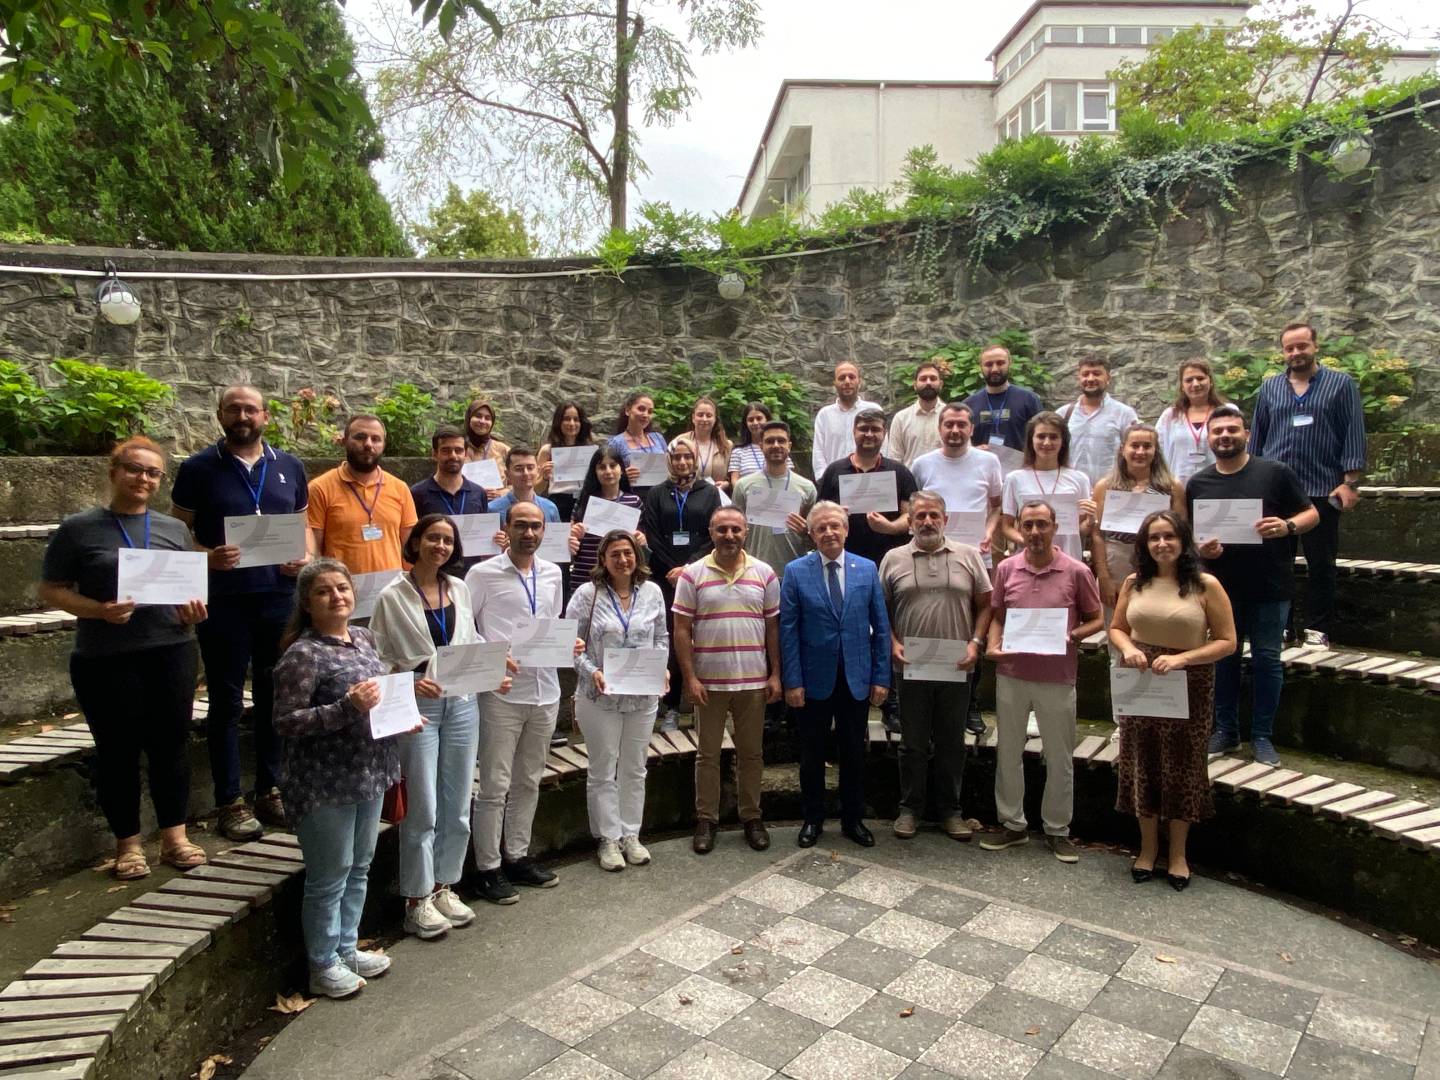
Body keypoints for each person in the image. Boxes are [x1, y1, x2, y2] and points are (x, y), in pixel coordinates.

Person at [39, 437, 209, 881]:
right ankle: (128, 845)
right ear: (114, 472)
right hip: (106, 656)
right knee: (118, 751)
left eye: (153, 473)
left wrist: (193, 611)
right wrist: (99, 610)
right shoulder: (79, 528)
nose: (143, 478)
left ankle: (175, 838)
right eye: (135, 469)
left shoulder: (173, 529)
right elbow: (51, 589)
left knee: (172, 745)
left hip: (172, 650)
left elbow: (188, 589)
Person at [170, 385, 308, 841]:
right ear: (220, 415)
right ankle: (229, 801)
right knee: (227, 702)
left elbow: (302, 527)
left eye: (251, 409)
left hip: (279, 598)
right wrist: (207, 558)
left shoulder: (290, 466)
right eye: (234, 409)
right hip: (224, 601)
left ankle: (270, 789)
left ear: (266, 416)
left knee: (275, 696)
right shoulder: (197, 468)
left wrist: (303, 557)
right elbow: (176, 534)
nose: (243, 416)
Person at [272, 558, 407, 998]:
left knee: (359, 866)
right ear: (307, 603)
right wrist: (346, 708)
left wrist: (401, 716)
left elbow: (378, 700)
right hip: (323, 782)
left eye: (342, 588)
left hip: (368, 773)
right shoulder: (302, 654)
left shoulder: (364, 638)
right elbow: (286, 722)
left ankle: (347, 948)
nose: (336, 597)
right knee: (329, 875)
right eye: (324, 591)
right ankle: (323, 963)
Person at [370, 515, 501, 939]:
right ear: (415, 543)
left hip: (461, 702)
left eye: (447, 540)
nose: (440, 546)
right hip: (418, 707)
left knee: (458, 802)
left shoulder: (459, 588)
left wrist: (497, 664)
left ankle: (445, 885)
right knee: (423, 806)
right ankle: (416, 899)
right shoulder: (392, 596)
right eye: (432, 538)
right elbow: (377, 658)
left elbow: (469, 640)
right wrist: (409, 680)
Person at [1110, 511, 1236, 891]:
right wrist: (1129, 648)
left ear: (1183, 541)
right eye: (1154, 537)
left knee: (1183, 766)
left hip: (1188, 681)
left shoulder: (1205, 585)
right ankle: (1148, 849)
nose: (1162, 544)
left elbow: (1227, 641)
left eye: (1169, 536)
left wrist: (1183, 658)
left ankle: (1178, 854)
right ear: (1144, 544)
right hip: (1140, 680)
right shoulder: (1134, 582)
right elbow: (1117, 629)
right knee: (1142, 761)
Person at [464, 501, 582, 904]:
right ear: (507, 528)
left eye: (536, 526)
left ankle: (517, 856)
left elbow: (551, 623)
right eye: (521, 526)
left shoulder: (552, 573)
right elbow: (466, 628)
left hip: (545, 690)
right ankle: (487, 867)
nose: (529, 533)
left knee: (529, 780)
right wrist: (493, 655)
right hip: (502, 692)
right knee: (495, 784)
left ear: (545, 530)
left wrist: (568, 642)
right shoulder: (482, 574)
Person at [1187, 405, 1318, 766]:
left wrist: (1287, 527)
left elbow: (1311, 513)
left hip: (1270, 586)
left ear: (1246, 434)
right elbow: (1191, 536)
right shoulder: (1199, 483)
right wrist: (1200, 549)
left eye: (1232, 430)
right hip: (1220, 589)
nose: (1224, 436)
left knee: (1267, 661)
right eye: (1217, 431)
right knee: (1223, 661)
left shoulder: (1275, 473)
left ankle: (1262, 736)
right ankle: (1226, 732)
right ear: (1209, 438)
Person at [981, 500, 1103, 863]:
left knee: (1059, 755)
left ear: (1055, 527)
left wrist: (1073, 635)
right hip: (1012, 675)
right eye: (1028, 525)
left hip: (1057, 677)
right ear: (1019, 528)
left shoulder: (1077, 571)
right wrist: (992, 645)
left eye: (1042, 524)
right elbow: (998, 616)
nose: (1035, 532)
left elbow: (1098, 619)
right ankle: (1012, 824)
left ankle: (1057, 829)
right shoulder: (1007, 568)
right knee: (1008, 752)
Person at [880, 491, 991, 841]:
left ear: (946, 519)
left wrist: (976, 643)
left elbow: (986, 604)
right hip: (910, 666)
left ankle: (950, 811)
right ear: (910, 522)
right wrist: (891, 642)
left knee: (951, 742)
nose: (927, 522)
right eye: (920, 516)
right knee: (912, 742)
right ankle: (910, 809)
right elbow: (880, 609)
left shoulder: (969, 556)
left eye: (934, 516)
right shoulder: (893, 559)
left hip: (956, 665)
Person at [781, 502, 891, 849]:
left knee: (854, 753)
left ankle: (852, 819)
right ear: (811, 534)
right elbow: (788, 630)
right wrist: (793, 681)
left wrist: (881, 677)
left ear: (846, 530)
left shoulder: (867, 569)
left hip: (856, 678)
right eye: (821, 528)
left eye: (835, 526)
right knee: (811, 753)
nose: (829, 533)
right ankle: (812, 819)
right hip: (813, 678)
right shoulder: (796, 571)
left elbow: (882, 628)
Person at [1249, 321, 1366, 645]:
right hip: (1276, 490)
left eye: (1302, 346)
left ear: (1315, 346)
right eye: (1290, 348)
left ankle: (1318, 629)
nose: (1296, 352)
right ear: (1282, 352)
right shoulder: (1270, 388)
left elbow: (1353, 432)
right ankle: (1281, 625)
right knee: (1276, 563)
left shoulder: (1341, 385)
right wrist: (1251, 479)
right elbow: (1258, 437)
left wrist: (1350, 482)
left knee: (1321, 564)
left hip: (1322, 487)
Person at [673, 507, 781, 854]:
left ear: (746, 532)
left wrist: (775, 674)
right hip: (709, 683)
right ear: (711, 532)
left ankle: (752, 817)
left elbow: (772, 628)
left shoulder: (764, 573)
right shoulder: (692, 574)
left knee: (752, 754)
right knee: (707, 755)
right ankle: (706, 819)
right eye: (722, 530)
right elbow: (681, 629)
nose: (729, 535)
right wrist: (690, 678)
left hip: (753, 681)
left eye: (736, 529)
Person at [567, 530, 668, 872]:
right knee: (602, 767)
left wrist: (662, 667)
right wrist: (591, 671)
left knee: (635, 767)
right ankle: (608, 838)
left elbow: (662, 637)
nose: (623, 560)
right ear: (603, 559)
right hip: (600, 697)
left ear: (637, 556)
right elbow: (571, 645)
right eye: (615, 554)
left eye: (628, 553)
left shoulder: (652, 592)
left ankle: (631, 834)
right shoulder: (587, 594)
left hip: (642, 696)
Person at [911, 402, 1003, 736]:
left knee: (974, 628)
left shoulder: (988, 462)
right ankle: (929, 702)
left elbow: (997, 507)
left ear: (971, 428)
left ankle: (970, 705)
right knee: (935, 623)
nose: (955, 430)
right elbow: (913, 510)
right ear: (940, 428)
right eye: (949, 424)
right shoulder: (922, 464)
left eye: (961, 425)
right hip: (931, 557)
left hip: (975, 558)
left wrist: (989, 533)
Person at [640, 437, 723, 730]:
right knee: (672, 639)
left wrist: (688, 567)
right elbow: (651, 534)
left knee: (704, 635)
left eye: (688, 457)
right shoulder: (657, 493)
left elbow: (713, 533)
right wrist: (673, 569)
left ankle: (707, 706)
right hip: (664, 576)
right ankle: (671, 706)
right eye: (677, 457)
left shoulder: (709, 492)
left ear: (695, 459)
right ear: (670, 460)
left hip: (700, 573)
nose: (682, 462)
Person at [1089, 424, 1187, 613]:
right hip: (1116, 561)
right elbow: (1097, 534)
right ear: (1122, 449)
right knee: (1116, 620)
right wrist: (1103, 576)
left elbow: (1182, 533)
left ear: (1156, 450)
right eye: (1134, 445)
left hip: (1160, 560)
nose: (1140, 452)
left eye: (1147, 446)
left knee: (1156, 617)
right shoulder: (1105, 487)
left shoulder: (1172, 487)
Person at [307, 415, 418, 576]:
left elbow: (409, 550)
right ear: (344, 441)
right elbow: (313, 550)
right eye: (360, 437)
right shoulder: (320, 488)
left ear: (384, 445)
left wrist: (411, 585)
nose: (368, 444)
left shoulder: (400, 488)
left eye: (376, 439)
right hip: (343, 588)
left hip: (391, 587)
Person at [816, 408, 917, 569]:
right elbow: (819, 514)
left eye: (875, 429)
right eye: (863, 429)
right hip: (844, 559)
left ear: (884, 433)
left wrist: (890, 527)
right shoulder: (834, 471)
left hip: (890, 560)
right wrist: (835, 514)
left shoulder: (899, 472)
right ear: (854, 432)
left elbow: (911, 515)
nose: (869, 434)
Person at [1000, 412, 1094, 562]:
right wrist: (1030, 541)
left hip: (1068, 560)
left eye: (1054, 437)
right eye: (1041, 436)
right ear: (1031, 440)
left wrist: (1090, 522)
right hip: (1028, 560)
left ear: (1063, 441)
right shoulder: (1014, 479)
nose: (1047, 442)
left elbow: (1078, 530)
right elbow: (1007, 527)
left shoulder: (1080, 479)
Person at [730, 420, 816, 583]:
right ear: (761, 446)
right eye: (770, 441)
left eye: (781, 440)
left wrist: (806, 531)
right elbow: (734, 529)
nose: (776, 445)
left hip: (794, 571)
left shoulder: (807, 487)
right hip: (753, 572)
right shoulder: (743, 485)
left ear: (789, 445)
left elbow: (815, 536)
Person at [410, 426, 490, 572]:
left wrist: (495, 539)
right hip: (433, 574)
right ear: (435, 454)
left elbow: (484, 538)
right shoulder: (417, 493)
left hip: (472, 574)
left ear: (465, 453)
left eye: (458, 450)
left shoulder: (478, 493)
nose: (453, 456)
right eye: (446, 451)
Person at [569, 444, 646, 582]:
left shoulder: (635, 502)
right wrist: (574, 535)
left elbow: (641, 544)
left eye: (613, 465)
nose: (608, 471)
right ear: (595, 472)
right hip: (586, 575)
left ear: (622, 470)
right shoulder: (584, 502)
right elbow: (571, 543)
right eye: (602, 467)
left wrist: (642, 540)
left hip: (621, 576)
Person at [1059, 357, 1139, 486]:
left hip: (1111, 489)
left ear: (1108, 378)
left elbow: (1134, 452)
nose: (1090, 379)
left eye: (1096, 373)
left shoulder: (1124, 414)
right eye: (1085, 374)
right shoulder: (1064, 414)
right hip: (1070, 488)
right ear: (1079, 378)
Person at [963, 344, 1044, 467]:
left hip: (1021, 471)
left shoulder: (1029, 399)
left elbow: (1043, 436)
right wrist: (972, 450)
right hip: (981, 472)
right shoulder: (968, 405)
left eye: (1000, 363)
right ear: (981, 367)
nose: (994, 369)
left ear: (1009, 363)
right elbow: (961, 443)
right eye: (988, 364)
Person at [1154, 358, 1225, 483]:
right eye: (1189, 380)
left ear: (1210, 381)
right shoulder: (1170, 416)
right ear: (1182, 386)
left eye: (1200, 378)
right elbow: (1156, 452)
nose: (1195, 384)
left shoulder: (1226, 412)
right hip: (1178, 486)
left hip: (1217, 485)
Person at [811, 361, 881, 477]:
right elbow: (818, 453)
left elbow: (883, 447)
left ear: (859, 381)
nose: (847, 381)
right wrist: (824, 479)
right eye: (842, 378)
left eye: (852, 377)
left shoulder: (874, 410)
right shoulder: (824, 415)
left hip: (869, 479)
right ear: (835, 383)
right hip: (834, 480)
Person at [537, 401, 594, 526]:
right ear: (559, 422)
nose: (572, 424)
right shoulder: (547, 451)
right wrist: (544, 477)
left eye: (576, 419)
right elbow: (536, 489)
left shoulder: (590, 451)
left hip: (584, 503)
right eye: (567, 419)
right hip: (558, 503)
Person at [883, 360, 944, 467]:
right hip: (910, 477)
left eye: (933, 378)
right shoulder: (901, 418)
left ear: (941, 384)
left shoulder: (951, 417)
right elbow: (894, 459)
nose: (928, 382)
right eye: (923, 379)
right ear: (915, 385)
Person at [607, 392, 668, 489]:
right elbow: (607, 473)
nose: (645, 415)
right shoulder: (616, 443)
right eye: (641, 409)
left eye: (650, 412)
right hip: (633, 494)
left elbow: (669, 466)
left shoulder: (658, 438)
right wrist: (623, 476)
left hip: (660, 493)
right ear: (628, 410)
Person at [489, 445, 561, 524]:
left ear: (538, 471)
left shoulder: (550, 508)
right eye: (518, 469)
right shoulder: (492, 510)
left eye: (530, 468)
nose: (526, 473)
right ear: (507, 474)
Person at [676, 396, 733, 492]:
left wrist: (726, 484)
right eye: (700, 415)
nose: (704, 419)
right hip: (686, 495)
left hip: (715, 496)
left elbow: (733, 476)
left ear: (715, 419)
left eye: (709, 415)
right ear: (693, 418)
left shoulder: (726, 445)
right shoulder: (680, 441)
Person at [463, 398, 510, 500]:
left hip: (497, 504)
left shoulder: (503, 450)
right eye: (478, 416)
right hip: (465, 504)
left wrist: (502, 493)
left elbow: (519, 482)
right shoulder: (458, 448)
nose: (482, 421)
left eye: (487, 418)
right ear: (469, 417)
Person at [727, 402, 775, 489]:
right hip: (748, 495)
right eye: (751, 420)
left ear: (767, 420)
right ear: (746, 423)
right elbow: (735, 481)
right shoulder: (738, 452)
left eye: (759, 418)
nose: (755, 423)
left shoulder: (777, 447)